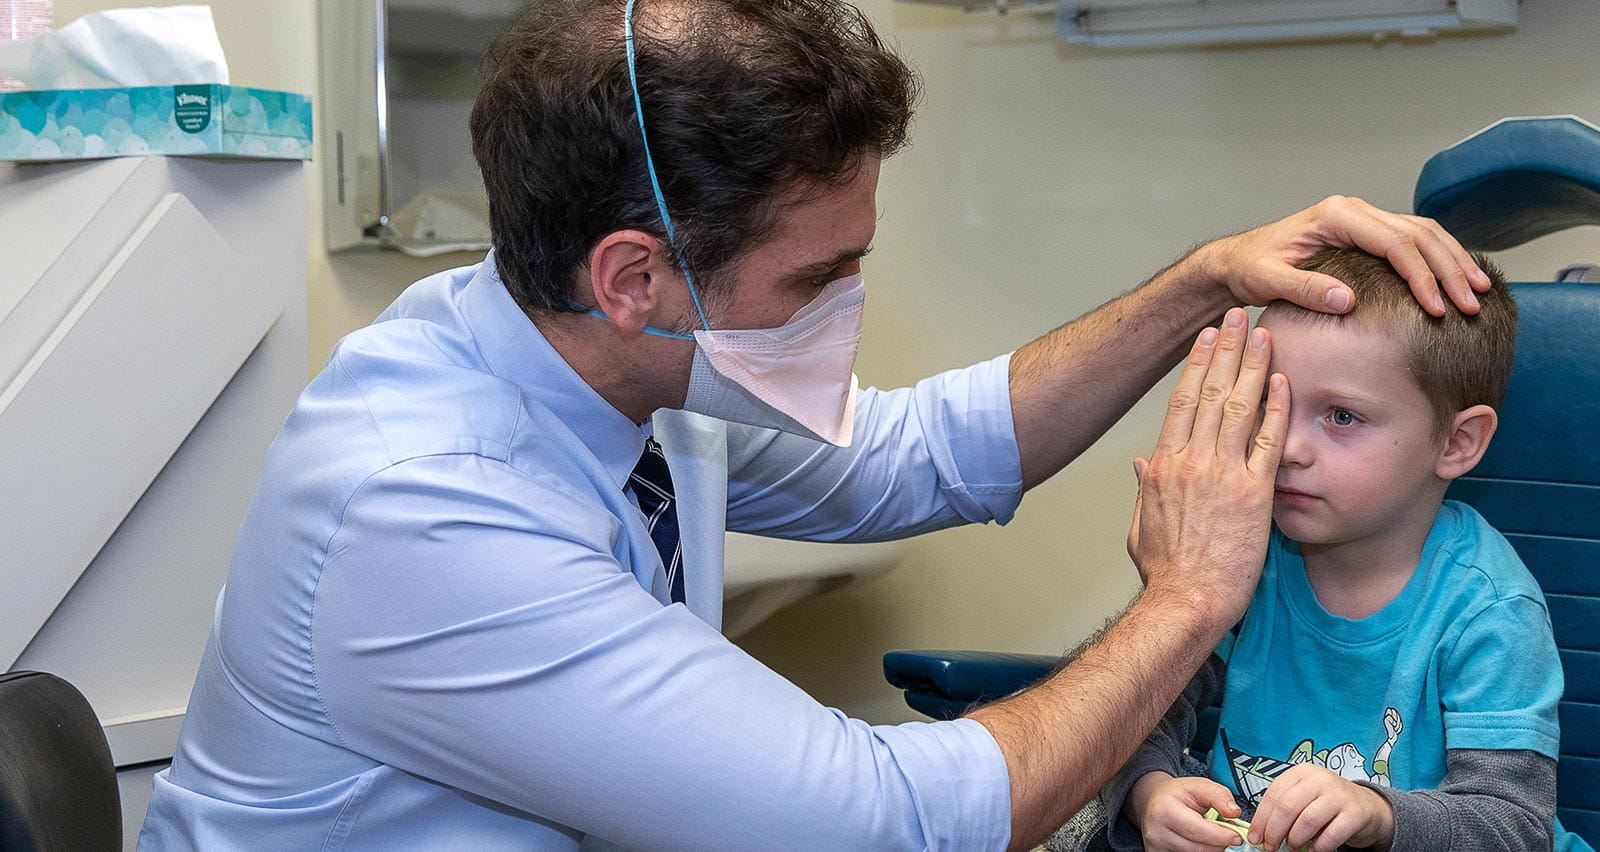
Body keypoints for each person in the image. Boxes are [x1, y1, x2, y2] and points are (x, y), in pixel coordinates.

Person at [136, 1, 1491, 849]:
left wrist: (1198, 282)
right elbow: (881, 824)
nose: (851, 301)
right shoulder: (423, 506)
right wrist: (1190, 596)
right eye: (818, 275)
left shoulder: (603, 350)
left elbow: (918, 458)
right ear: (635, 274)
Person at [1099, 250, 1588, 852]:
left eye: (1340, 416)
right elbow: (1137, 709)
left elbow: (1513, 826)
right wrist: (1151, 792)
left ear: (1458, 442)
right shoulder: (1245, 558)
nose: (1287, 446)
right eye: (1267, 407)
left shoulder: (1489, 611)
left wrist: (1381, 817)